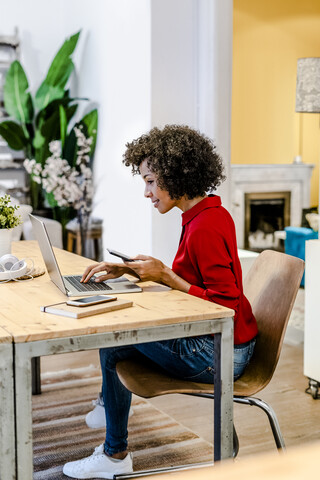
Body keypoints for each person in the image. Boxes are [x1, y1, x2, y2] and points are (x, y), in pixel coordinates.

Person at [63, 125, 258, 479]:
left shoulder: (206, 227)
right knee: (116, 342)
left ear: (176, 174)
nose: (147, 193)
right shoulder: (204, 216)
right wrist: (130, 269)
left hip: (222, 354)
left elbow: (225, 305)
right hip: (220, 343)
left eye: (151, 181)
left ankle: (113, 444)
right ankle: (111, 426)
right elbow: (195, 283)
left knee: (116, 338)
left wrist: (166, 275)